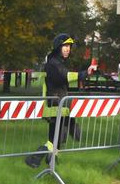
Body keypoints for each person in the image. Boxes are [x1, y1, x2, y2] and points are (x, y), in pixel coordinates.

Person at [25, 33, 96, 168]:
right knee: (55, 138)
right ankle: (35, 158)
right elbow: (65, 77)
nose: (68, 49)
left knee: (58, 138)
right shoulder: (53, 64)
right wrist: (85, 73)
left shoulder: (58, 62)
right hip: (54, 105)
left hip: (60, 105)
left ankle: (51, 161)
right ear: (58, 47)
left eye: (69, 46)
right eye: (65, 46)